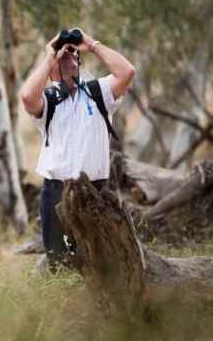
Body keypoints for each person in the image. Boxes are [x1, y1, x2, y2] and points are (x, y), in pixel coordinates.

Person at [19, 28, 136, 271]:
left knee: (101, 260)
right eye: (62, 56)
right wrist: (50, 55)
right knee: (60, 263)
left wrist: (90, 44)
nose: (68, 56)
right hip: (56, 192)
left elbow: (127, 72)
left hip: (95, 190)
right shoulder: (49, 100)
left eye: (73, 54)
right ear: (51, 69)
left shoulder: (99, 92)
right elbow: (27, 97)